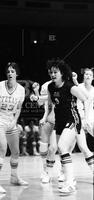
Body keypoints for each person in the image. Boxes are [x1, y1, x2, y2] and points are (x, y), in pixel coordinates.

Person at [43, 58, 90, 194]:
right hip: (60, 121)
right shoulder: (51, 87)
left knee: (62, 147)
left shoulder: (70, 87)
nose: (52, 75)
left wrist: (86, 117)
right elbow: (52, 102)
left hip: (72, 119)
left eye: (55, 72)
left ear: (62, 73)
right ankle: (72, 179)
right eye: (51, 72)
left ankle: (70, 184)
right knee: (63, 151)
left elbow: (86, 97)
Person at [0, 62, 28, 194]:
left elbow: (19, 107)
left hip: (10, 121)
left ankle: (14, 177)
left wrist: (15, 120)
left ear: (17, 74)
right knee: (3, 148)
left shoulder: (21, 90)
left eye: (12, 71)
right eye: (8, 71)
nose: (10, 73)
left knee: (16, 152)